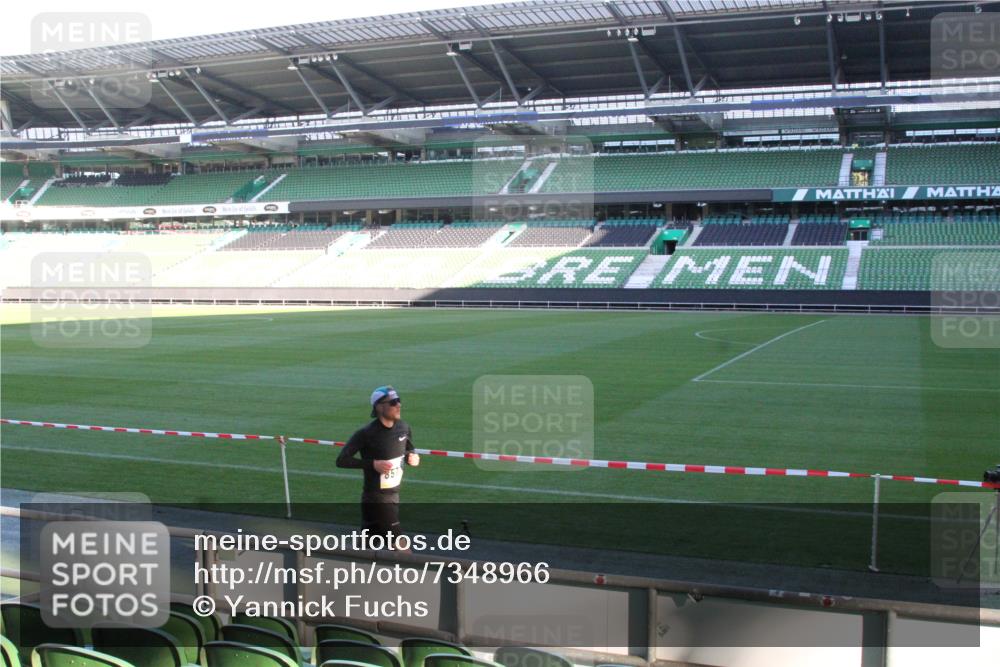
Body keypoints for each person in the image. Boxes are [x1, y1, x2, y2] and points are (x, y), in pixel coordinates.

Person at [336, 385, 419, 547]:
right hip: (377, 498)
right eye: (393, 402)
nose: (399, 405)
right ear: (379, 407)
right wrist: (372, 464)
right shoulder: (366, 434)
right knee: (401, 547)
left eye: (399, 401)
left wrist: (412, 456)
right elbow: (342, 460)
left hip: (393, 496)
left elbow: (409, 447)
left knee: (368, 546)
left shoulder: (404, 427)